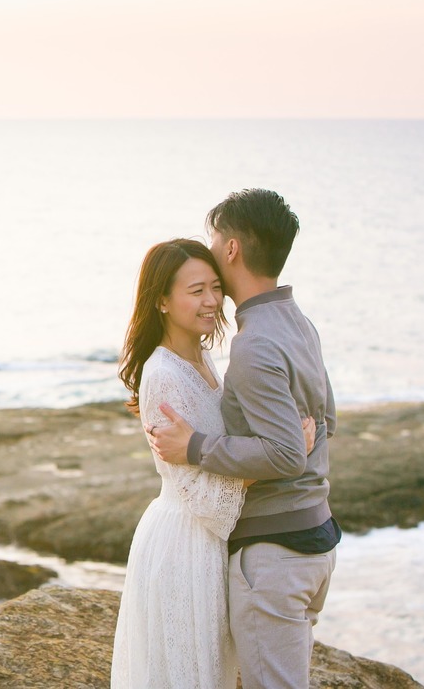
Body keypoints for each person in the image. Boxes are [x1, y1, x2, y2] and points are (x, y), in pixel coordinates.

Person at [149, 189, 339, 689]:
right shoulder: (300, 324)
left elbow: (284, 454)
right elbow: (327, 421)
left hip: (275, 554)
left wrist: (194, 447)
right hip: (316, 542)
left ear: (231, 248)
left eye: (215, 238)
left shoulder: (253, 343)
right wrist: (296, 447)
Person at [110, 238, 315, 689]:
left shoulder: (202, 358)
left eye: (215, 287)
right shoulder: (163, 374)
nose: (211, 301)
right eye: (196, 290)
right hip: (183, 542)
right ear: (161, 300)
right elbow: (204, 497)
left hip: (207, 545)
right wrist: (281, 457)